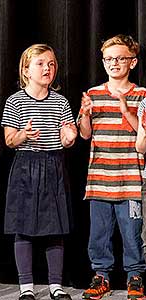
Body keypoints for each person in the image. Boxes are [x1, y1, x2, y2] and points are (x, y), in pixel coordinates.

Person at [1, 44, 77, 300]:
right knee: (24, 227)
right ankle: (26, 287)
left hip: (53, 166)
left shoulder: (61, 101)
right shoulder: (15, 101)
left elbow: (67, 136)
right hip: (26, 166)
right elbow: (9, 140)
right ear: (26, 70)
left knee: (55, 226)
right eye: (41, 63)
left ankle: (56, 285)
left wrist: (68, 137)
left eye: (51, 64)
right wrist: (24, 134)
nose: (47, 68)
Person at [79, 34, 146, 300]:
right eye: (109, 59)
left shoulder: (142, 95)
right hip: (99, 178)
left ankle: (135, 277)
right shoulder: (94, 94)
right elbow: (85, 134)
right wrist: (84, 113)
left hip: (130, 178)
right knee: (99, 233)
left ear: (133, 62)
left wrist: (126, 110)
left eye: (120, 58)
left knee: (132, 232)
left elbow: (142, 134)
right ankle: (101, 276)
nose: (114, 63)